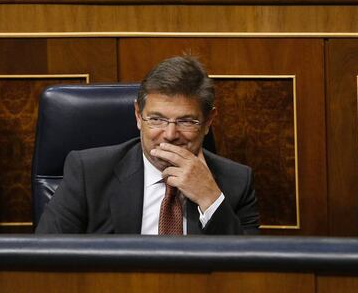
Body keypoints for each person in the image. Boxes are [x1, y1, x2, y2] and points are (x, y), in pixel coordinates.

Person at [36, 56, 259, 235]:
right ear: (138, 116)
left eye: (185, 121)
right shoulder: (89, 173)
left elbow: (251, 275)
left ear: (208, 122)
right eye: (157, 119)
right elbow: (44, 258)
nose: (170, 134)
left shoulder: (236, 182)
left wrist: (210, 199)